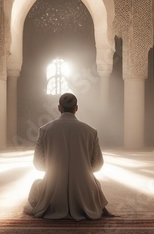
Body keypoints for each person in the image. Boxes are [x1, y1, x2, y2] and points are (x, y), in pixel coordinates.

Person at [24, 93, 111, 221]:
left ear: (59, 108)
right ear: (76, 108)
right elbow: (98, 164)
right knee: (95, 184)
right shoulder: (90, 131)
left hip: (52, 188)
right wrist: (82, 170)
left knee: (36, 185)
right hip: (84, 190)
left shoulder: (45, 130)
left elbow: (37, 164)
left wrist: (54, 170)